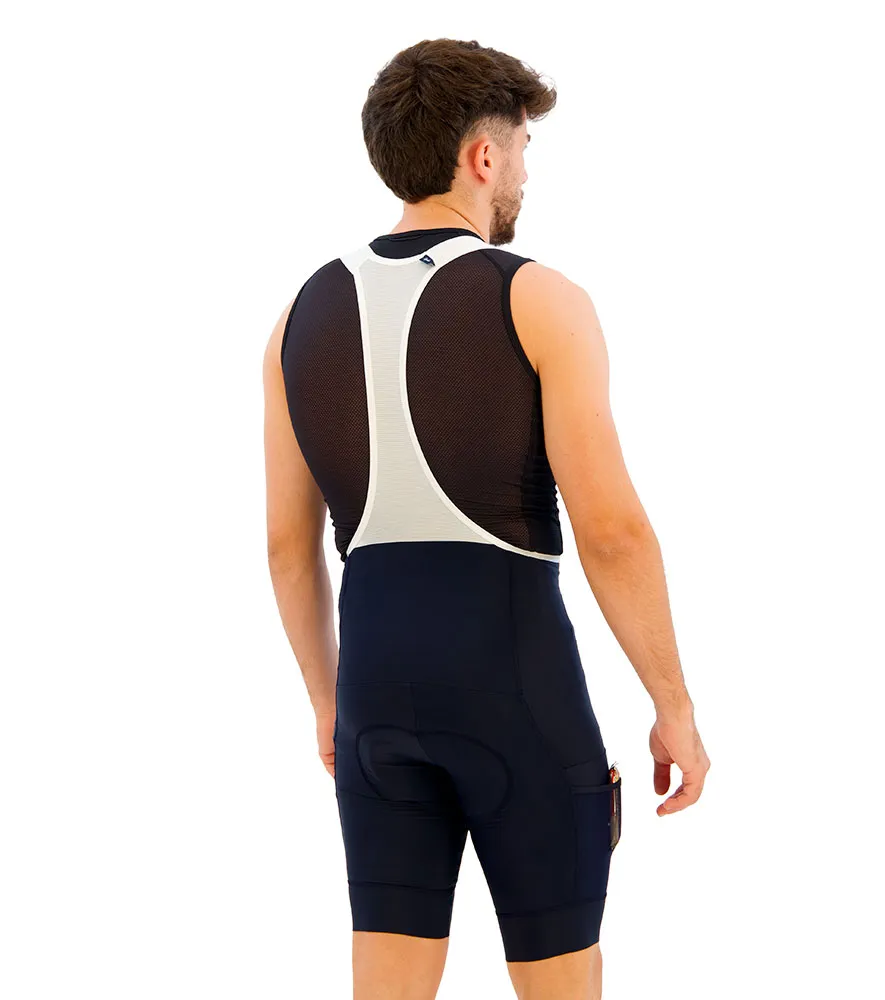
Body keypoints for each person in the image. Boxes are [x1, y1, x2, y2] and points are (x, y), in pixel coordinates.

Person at [263, 37, 710, 1000]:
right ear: (482, 155)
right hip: (518, 701)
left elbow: (288, 549)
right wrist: (672, 705)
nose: (524, 175)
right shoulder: (536, 297)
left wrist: (329, 704)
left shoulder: (298, 319)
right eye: (522, 150)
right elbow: (612, 530)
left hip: (374, 706)